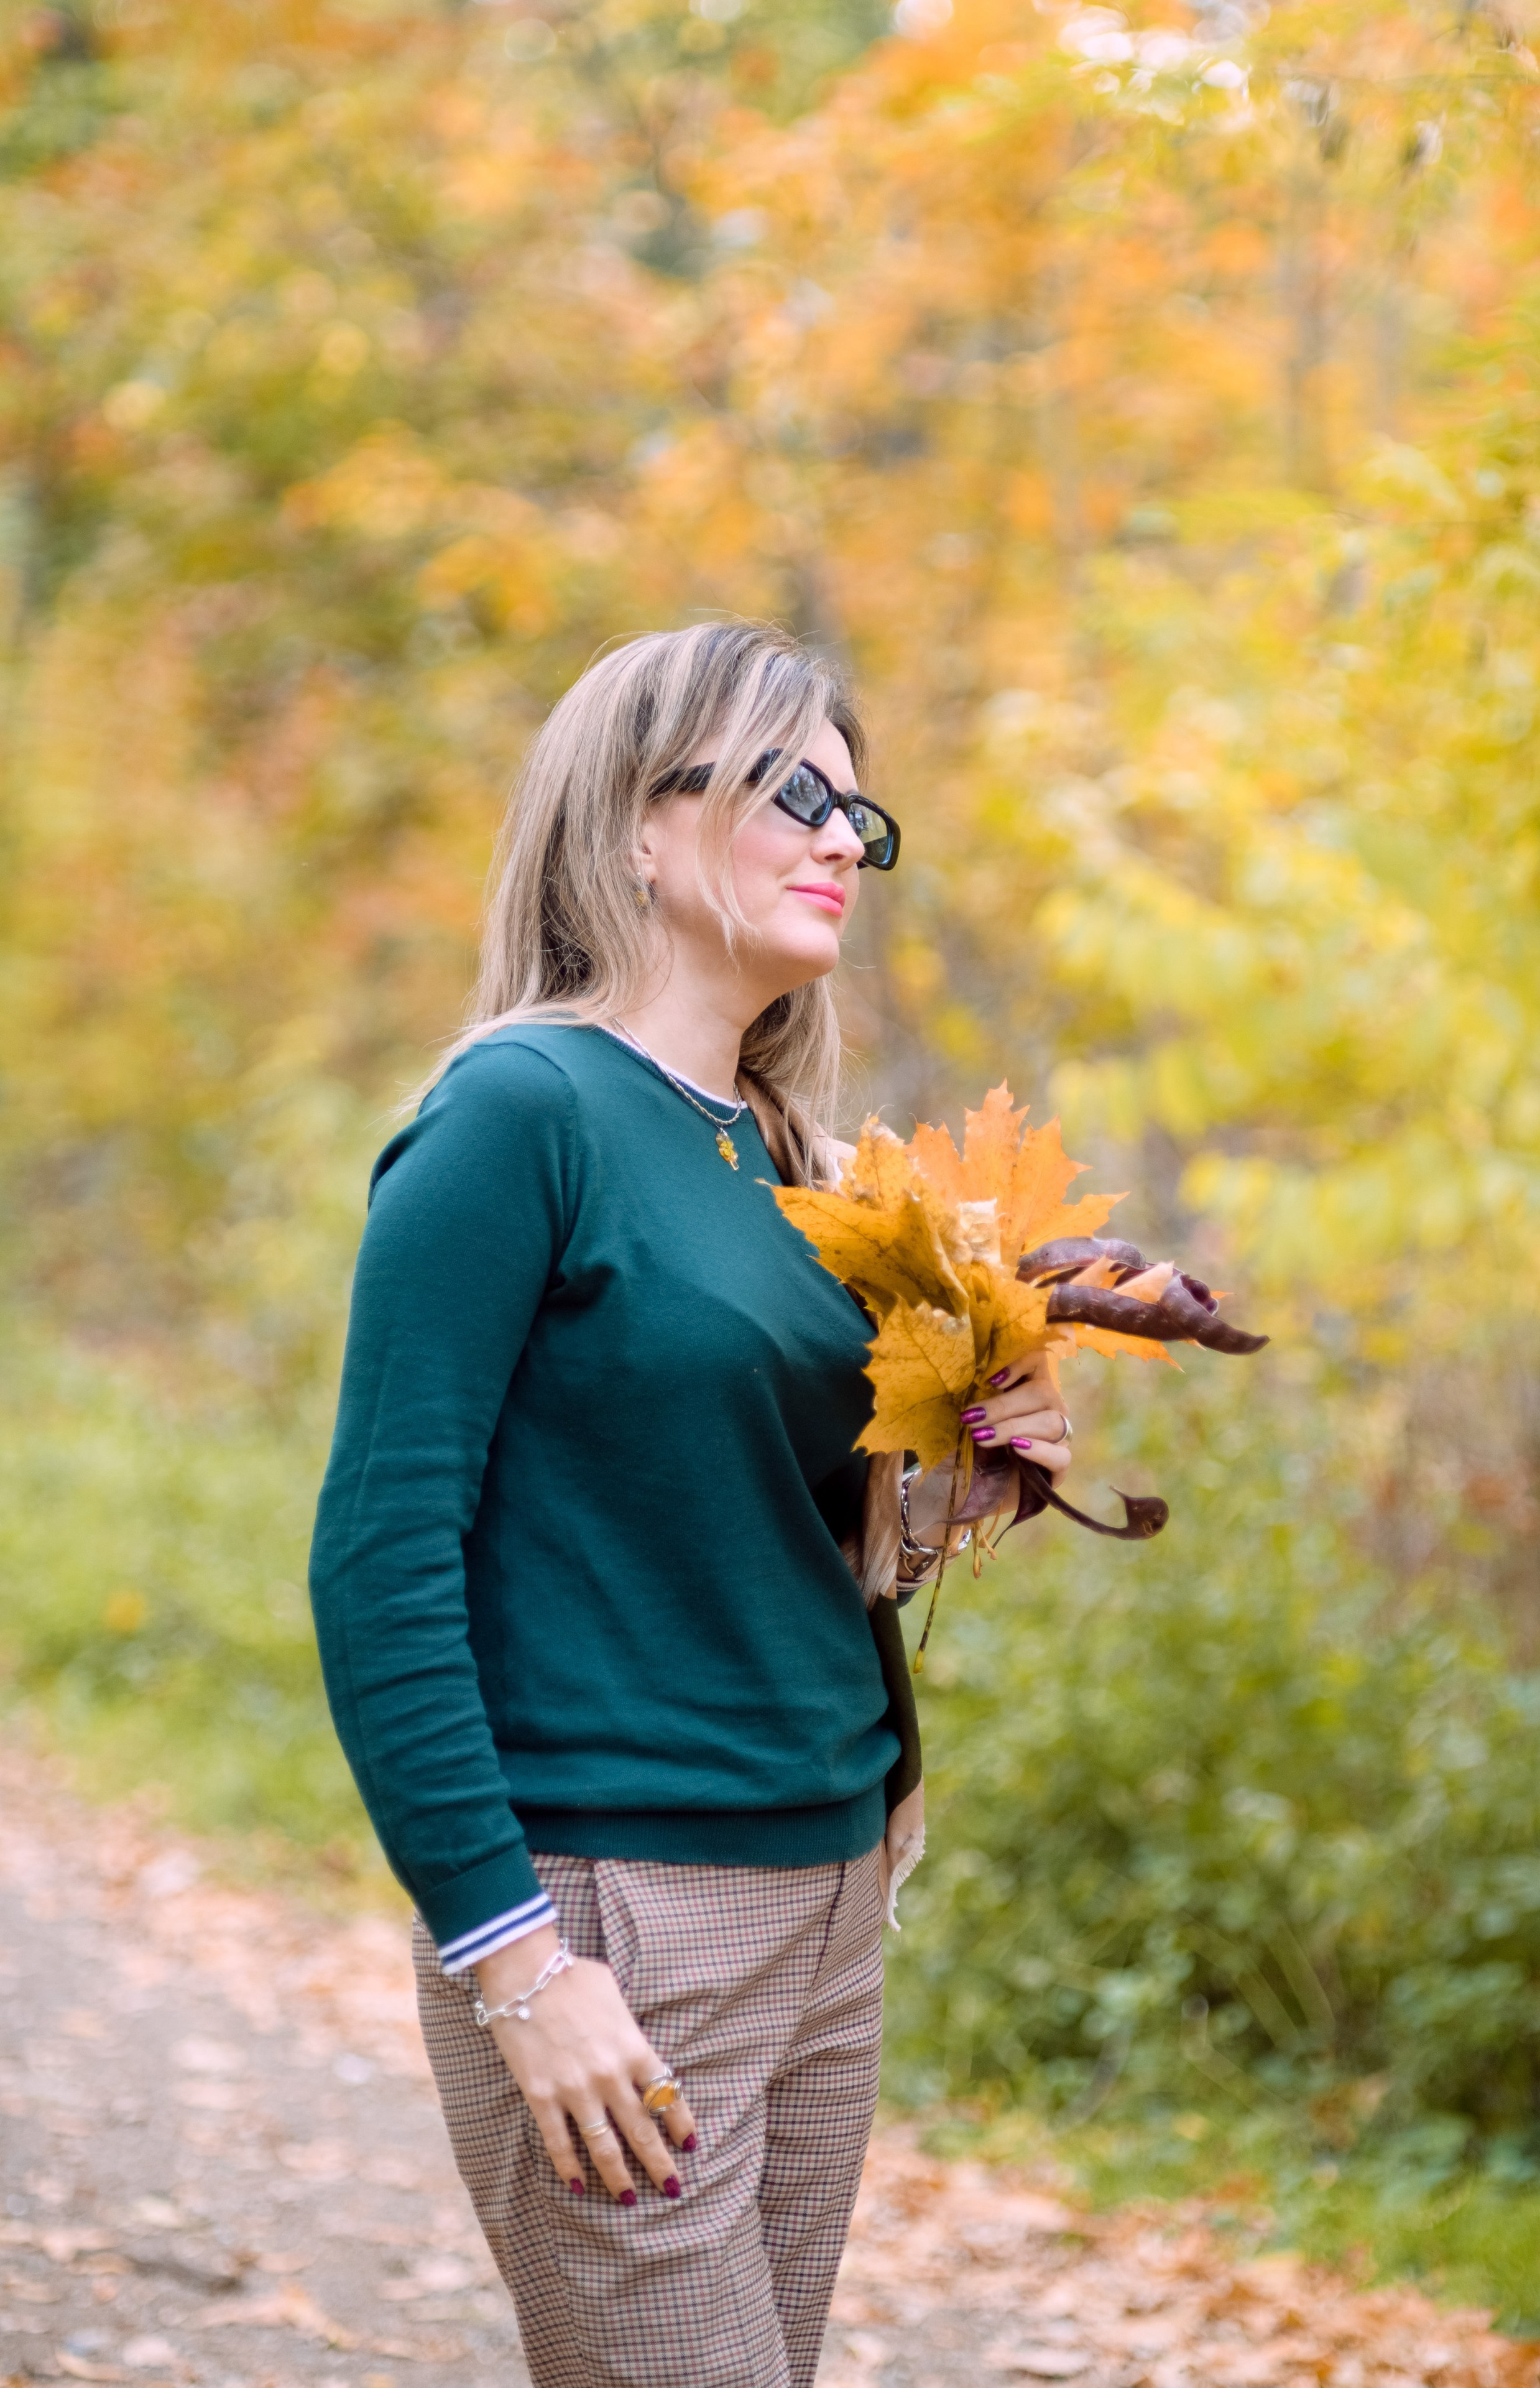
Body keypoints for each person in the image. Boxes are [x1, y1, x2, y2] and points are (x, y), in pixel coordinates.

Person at [307, 619, 1072, 2388]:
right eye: (796, 789)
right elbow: (381, 1560)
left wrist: (977, 1461)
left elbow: (797, 1536)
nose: (841, 842)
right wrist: (514, 1957)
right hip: (617, 1911)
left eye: (861, 819)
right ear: (637, 824)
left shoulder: (791, 1161)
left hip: (825, 1891)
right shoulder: (522, 1114)